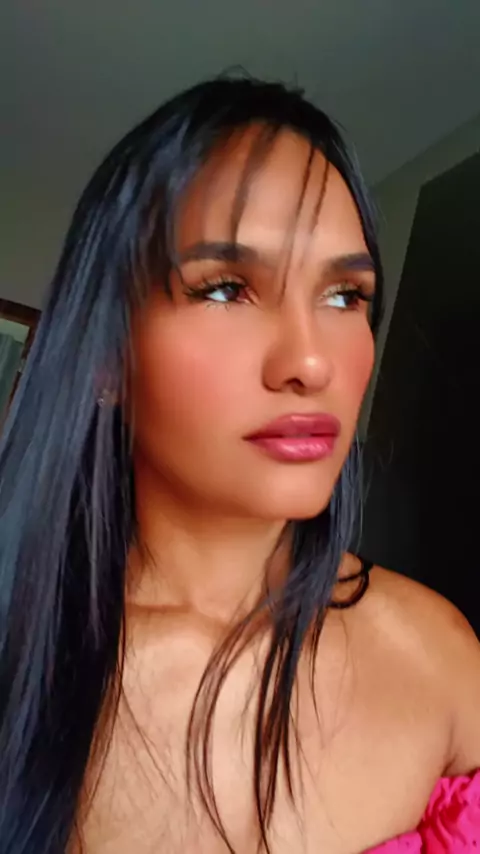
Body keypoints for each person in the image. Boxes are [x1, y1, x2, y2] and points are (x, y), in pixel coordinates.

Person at [0, 76, 478, 854]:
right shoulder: (20, 654)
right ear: (107, 357)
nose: (310, 362)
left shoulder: (439, 652)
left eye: (345, 295)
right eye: (226, 289)